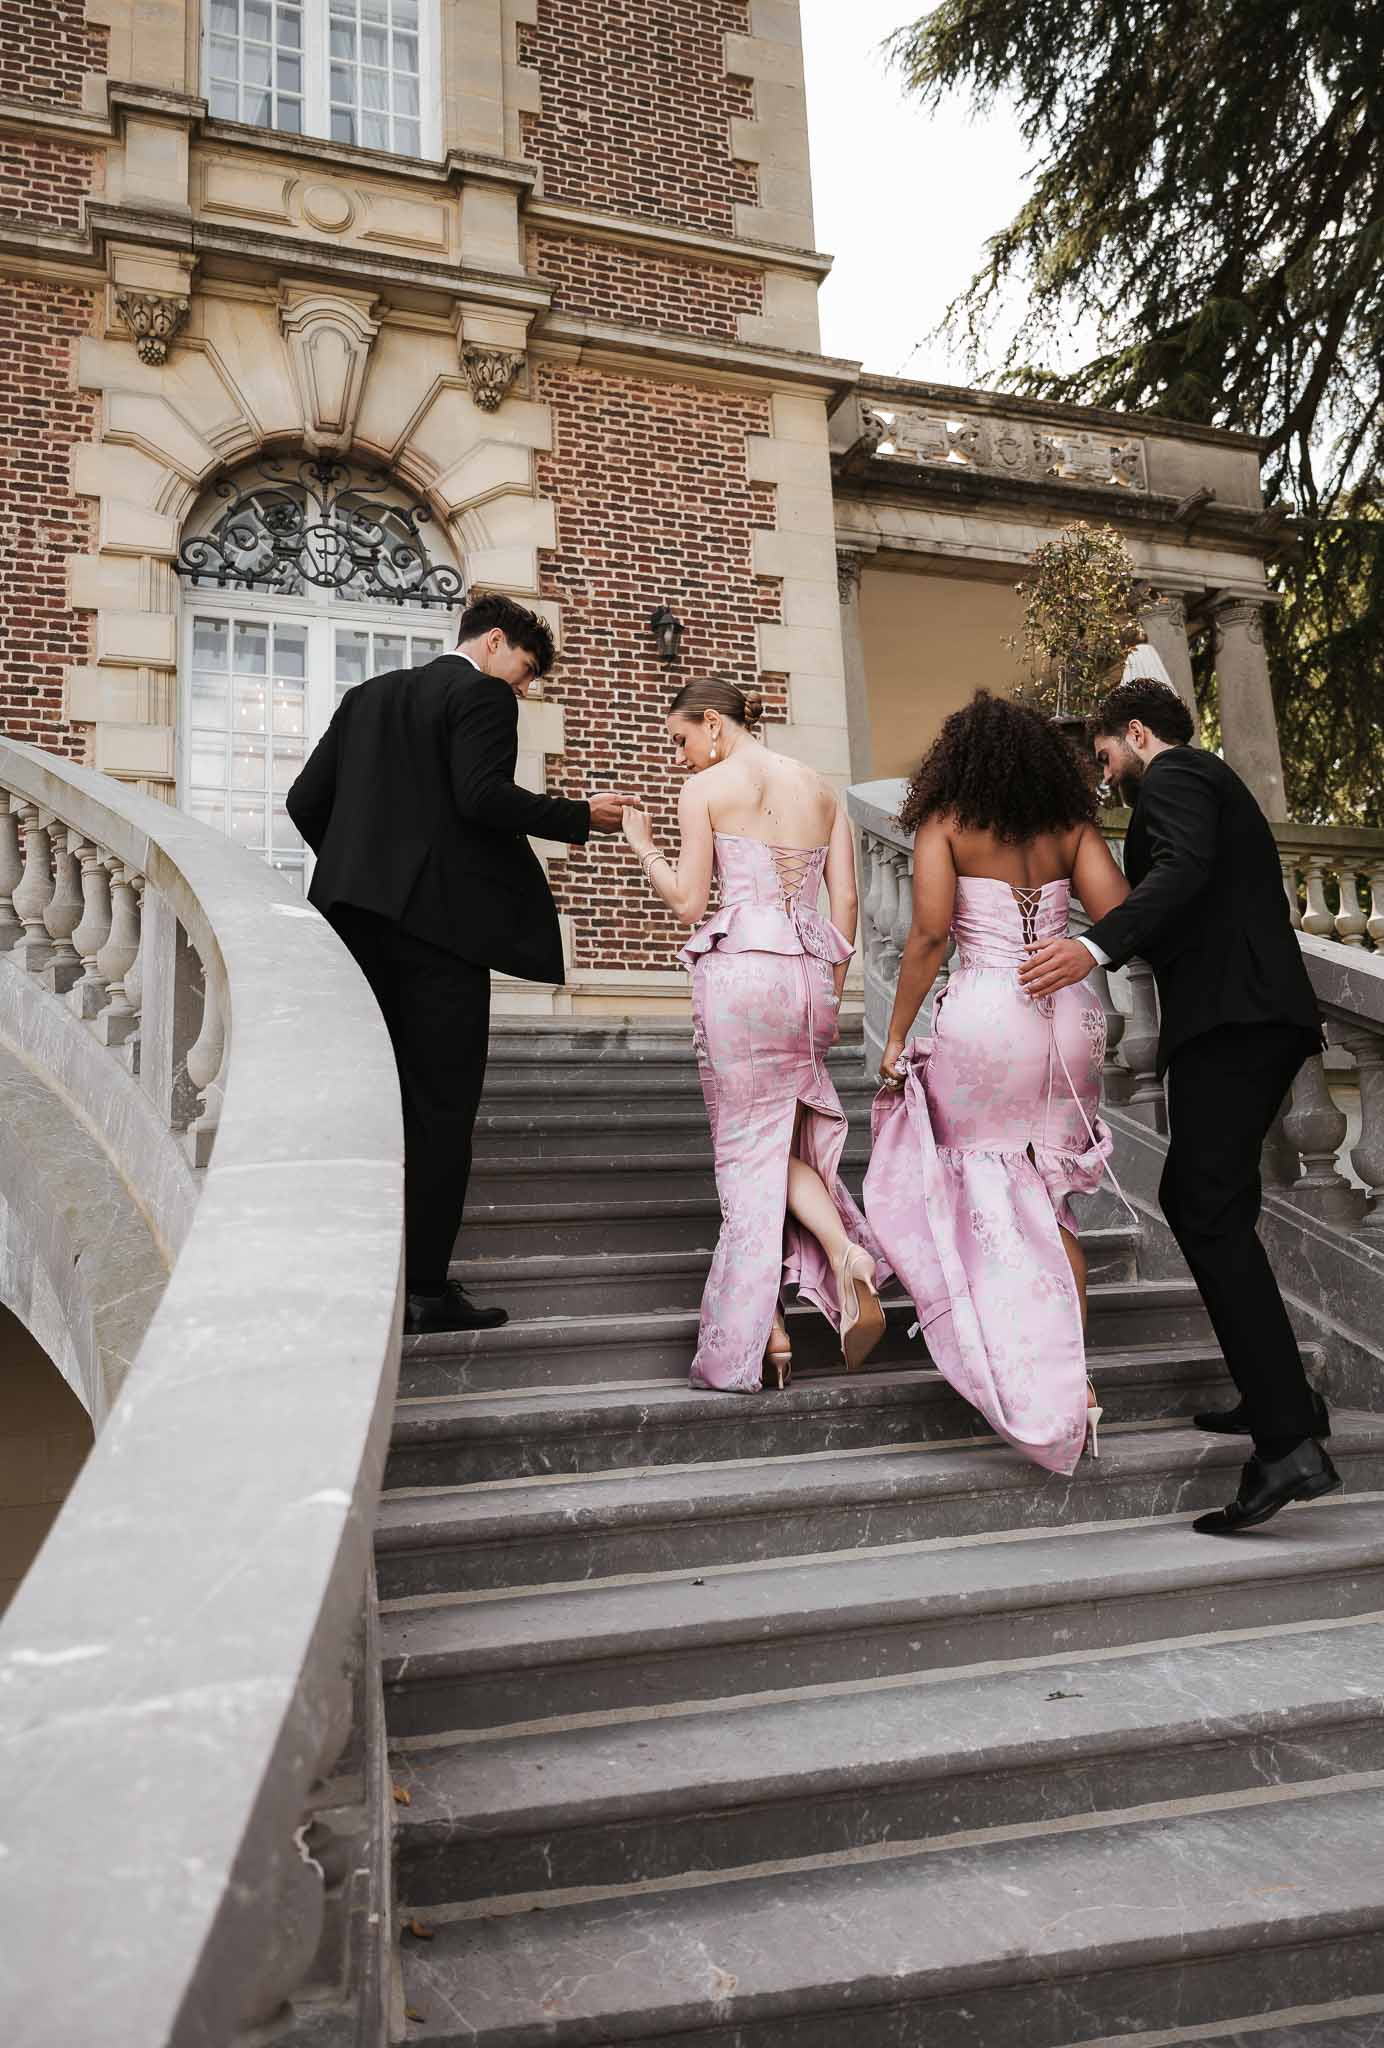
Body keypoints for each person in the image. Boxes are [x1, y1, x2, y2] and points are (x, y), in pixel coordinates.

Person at [1020, 675, 1335, 1534]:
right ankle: (1284, 1398)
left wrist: (1092, 946)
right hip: (1239, 1022)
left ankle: (1288, 1446)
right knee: (1213, 1204)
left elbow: (1185, 871)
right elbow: (1173, 897)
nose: (1105, 771)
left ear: (1135, 733)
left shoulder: (1180, 777)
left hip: (1236, 1024)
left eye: (1105, 754)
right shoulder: (1188, 787)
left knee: (1199, 1204)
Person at [286, 593, 634, 1336]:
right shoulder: (480, 692)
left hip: (353, 923)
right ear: (495, 641)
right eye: (527, 670)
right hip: (439, 937)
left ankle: (347, 1269)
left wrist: (361, 872)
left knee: (362, 1099)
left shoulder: (367, 696)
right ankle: (423, 1291)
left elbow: (304, 800)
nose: (526, 688)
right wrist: (579, 816)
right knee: (441, 1108)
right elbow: (481, 799)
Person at [868, 691, 1131, 1474]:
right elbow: (1120, 913)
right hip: (1070, 1016)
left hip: (988, 1014)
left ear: (956, 757)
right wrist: (1072, 946)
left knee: (983, 1197)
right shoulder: (1071, 825)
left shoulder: (946, 823)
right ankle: (1076, 1386)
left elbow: (928, 933)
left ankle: (1018, 1375)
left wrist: (895, 1033)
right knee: (1050, 1204)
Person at [620, 678, 888, 1392]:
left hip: (741, 975)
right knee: (780, 1142)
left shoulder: (707, 789)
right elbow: (848, 900)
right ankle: (819, 1275)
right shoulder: (822, 789)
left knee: (745, 1154)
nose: (680, 758)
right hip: (809, 978)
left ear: (714, 723)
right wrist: (831, 986)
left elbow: (686, 902)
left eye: (680, 739)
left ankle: (782, 1311)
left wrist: (642, 846)